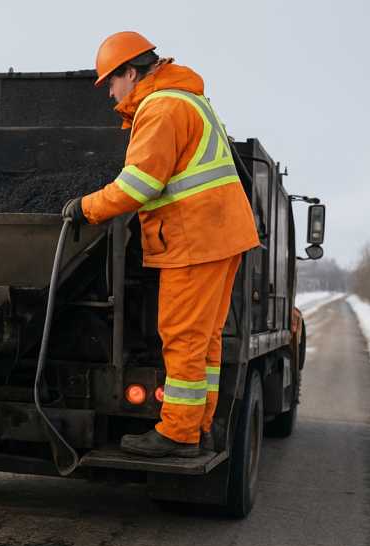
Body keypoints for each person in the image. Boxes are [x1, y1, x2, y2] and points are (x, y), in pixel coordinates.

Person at [62, 31, 259, 458]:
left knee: (182, 337)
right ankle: (198, 426)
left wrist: (86, 207)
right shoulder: (185, 99)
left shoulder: (161, 107)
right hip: (219, 237)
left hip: (195, 240)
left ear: (131, 72)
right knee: (204, 341)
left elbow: (140, 185)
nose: (110, 94)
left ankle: (178, 434)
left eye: (111, 83)